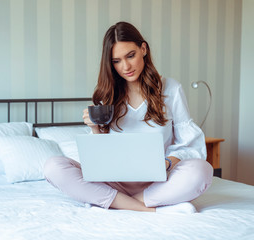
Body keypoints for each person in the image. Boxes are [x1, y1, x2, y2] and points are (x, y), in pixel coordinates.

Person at [44, 21, 213, 213]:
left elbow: (190, 146)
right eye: (116, 61)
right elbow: (99, 158)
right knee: (53, 166)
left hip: (158, 181)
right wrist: (94, 129)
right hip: (114, 181)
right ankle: (145, 207)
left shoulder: (171, 89)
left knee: (202, 170)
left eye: (130, 56)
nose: (125, 67)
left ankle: (121, 202)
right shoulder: (106, 95)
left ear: (143, 49)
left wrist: (165, 163)